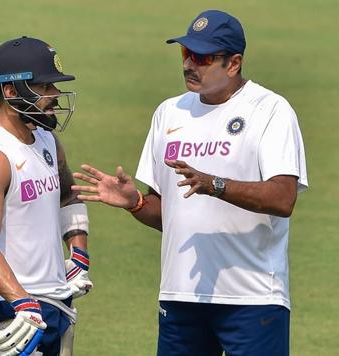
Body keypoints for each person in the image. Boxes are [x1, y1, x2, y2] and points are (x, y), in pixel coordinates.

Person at [72, 10, 308, 356]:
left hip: (252, 297)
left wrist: (216, 185)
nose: (188, 65)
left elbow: (283, 198)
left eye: (202, 57)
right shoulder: (169, 113)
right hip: (181, 296)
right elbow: (170, 214)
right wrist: (135, 202)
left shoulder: (270, 110)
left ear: (234, 63)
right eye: (185, 53)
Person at [0, 36, 93, 356]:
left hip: (54, 303)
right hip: (8, 311)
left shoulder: (46, 140)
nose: (56, 96)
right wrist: (22, 303)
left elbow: (68, 196)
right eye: (45, 88)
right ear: (11, 91)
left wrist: (79, 256)